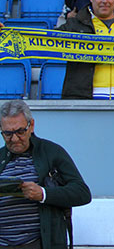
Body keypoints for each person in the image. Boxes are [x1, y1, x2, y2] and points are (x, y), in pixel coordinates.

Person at [0, 100, 91, 249]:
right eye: (8, 134)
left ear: (31, 126)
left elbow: (82, 193)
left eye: (20, 132)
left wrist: (43, 194)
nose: (15, 139)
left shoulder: (51, 152)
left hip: (39, 243)